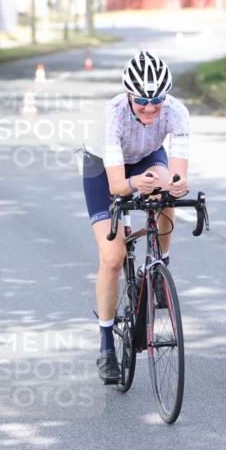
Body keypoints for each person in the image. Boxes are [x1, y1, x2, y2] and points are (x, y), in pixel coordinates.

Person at [81, 50, 190, 384]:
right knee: (113, 257)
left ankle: (160, 266)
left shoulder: (176, 112)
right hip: (104, 167)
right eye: (142, 100)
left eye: (157, 99)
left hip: (146, 156)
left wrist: (175, 184)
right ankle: (106, 346)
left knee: (164, 191)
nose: (150, 107)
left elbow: (179, 176)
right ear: (129, 95)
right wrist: (132, 185)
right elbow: (117, 185)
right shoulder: (114, 114)